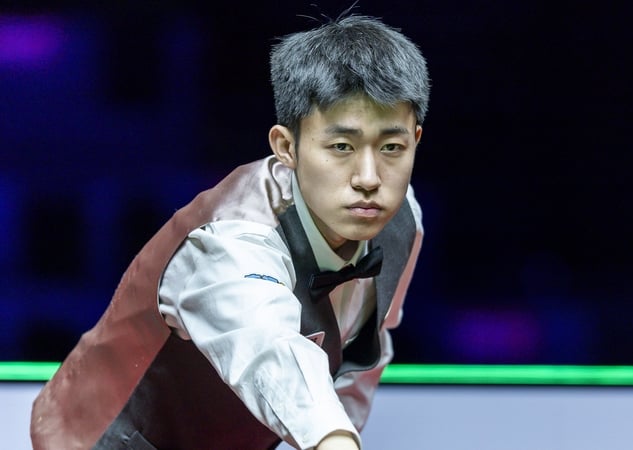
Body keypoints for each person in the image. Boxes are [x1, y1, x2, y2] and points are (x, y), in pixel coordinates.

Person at [30, 12, 430, 450]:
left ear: (415, 140)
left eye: (392, 147)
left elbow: (361, 355)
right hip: (106, 437)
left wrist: (342, 438)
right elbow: (268, 348)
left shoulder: (400, 220)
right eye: (341, 147)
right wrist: (331, 441)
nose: (369, 177)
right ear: (286, 147)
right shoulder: (233, 238)